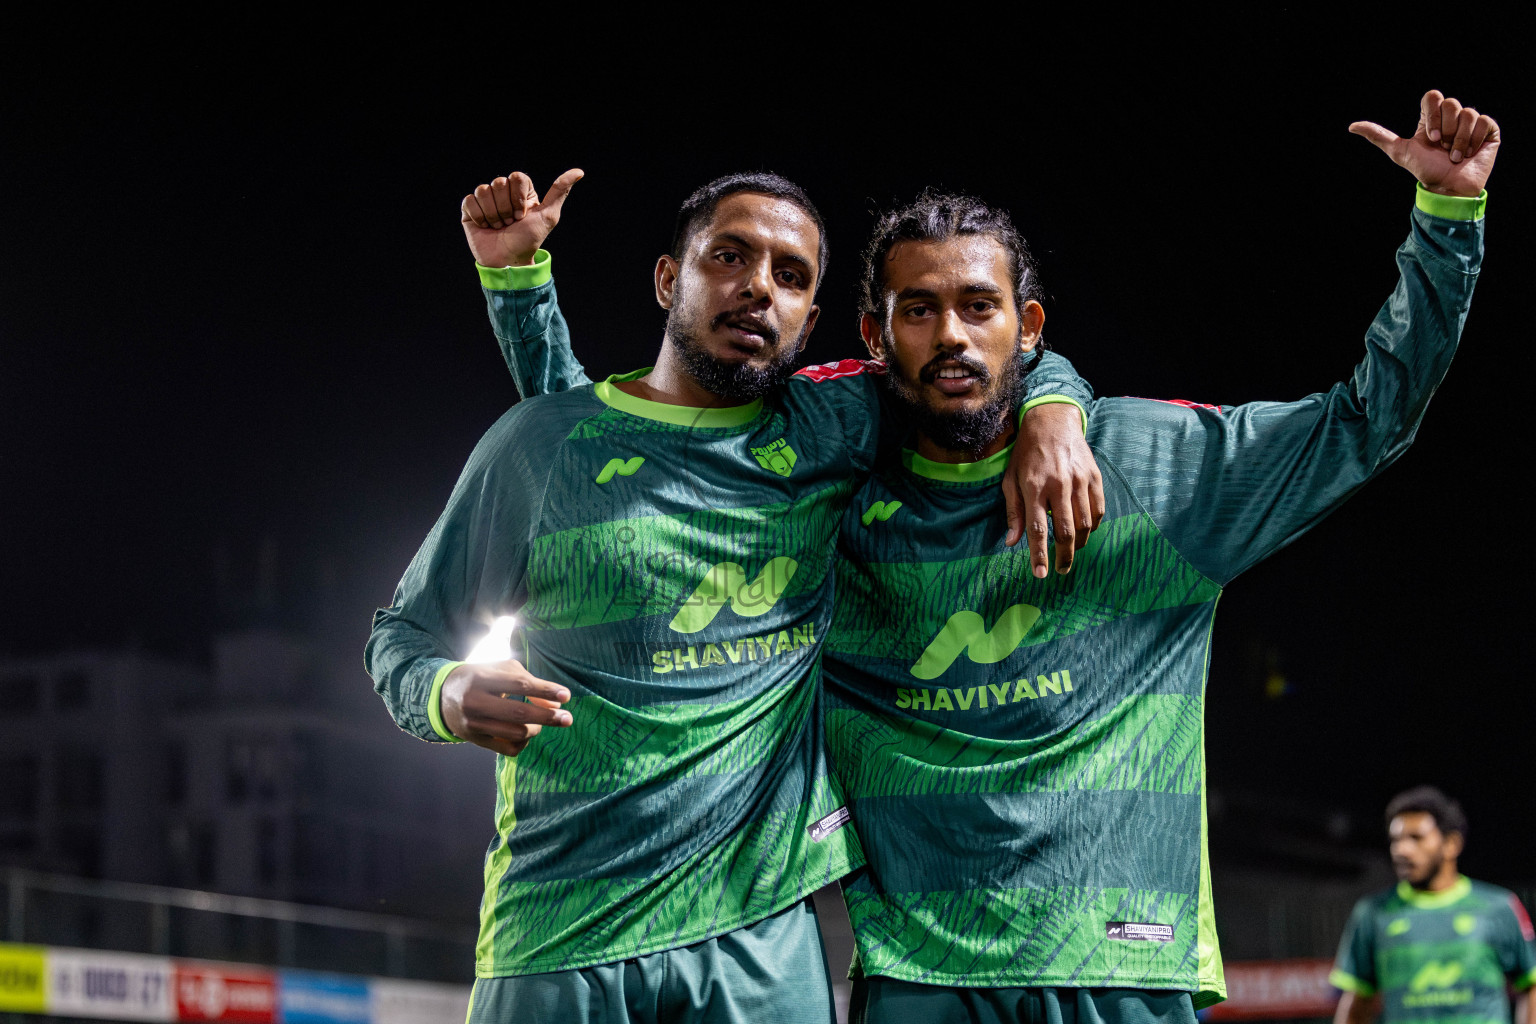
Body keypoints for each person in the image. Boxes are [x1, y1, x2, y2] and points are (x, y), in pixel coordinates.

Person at [493, 89, 1498, 1024]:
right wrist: (520, 293)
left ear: (1030, 327)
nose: (952, 335)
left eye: (980, 306)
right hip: (918, 979)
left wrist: (1446, 221)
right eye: (919, 310)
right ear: (874, 339)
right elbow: (627, 467)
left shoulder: (1154, 471)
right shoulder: (822, 491)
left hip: (1120, 966)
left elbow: (1367, 421)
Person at [367, 171, 1101, 1023]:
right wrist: (446, 693)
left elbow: (989, 356)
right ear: (669, 279)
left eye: (791, 276)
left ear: (814, 322)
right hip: (560, 929)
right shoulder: (540, 446)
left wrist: (1055, 412)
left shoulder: (836, 426)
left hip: (761, 935)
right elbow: (402, 636)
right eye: (730, 256)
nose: (759, 285)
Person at [1332, 787, 1534, 1024]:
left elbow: (1530, 986)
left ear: (1451, 844)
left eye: (1416, 838)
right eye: (1396, 840)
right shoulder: (1374, 913)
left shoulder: (1499, 907)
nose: (1401, 850)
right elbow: (1357, 1001)